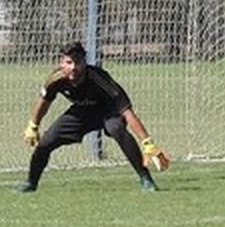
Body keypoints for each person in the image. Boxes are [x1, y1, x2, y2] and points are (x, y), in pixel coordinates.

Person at [18, 42, 169, 193]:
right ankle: (31, 183)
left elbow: (127, 112)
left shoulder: (99, 78)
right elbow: (44, 101)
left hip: (109, 111)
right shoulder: (55, 79)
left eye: (77, 62)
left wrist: (147, 142)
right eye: (68, 62)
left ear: (85, 62)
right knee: (46, 142)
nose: (73, 67)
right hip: (82, 112)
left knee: (116, 128)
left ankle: (146, 179)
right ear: (61, 62)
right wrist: (33, 126)